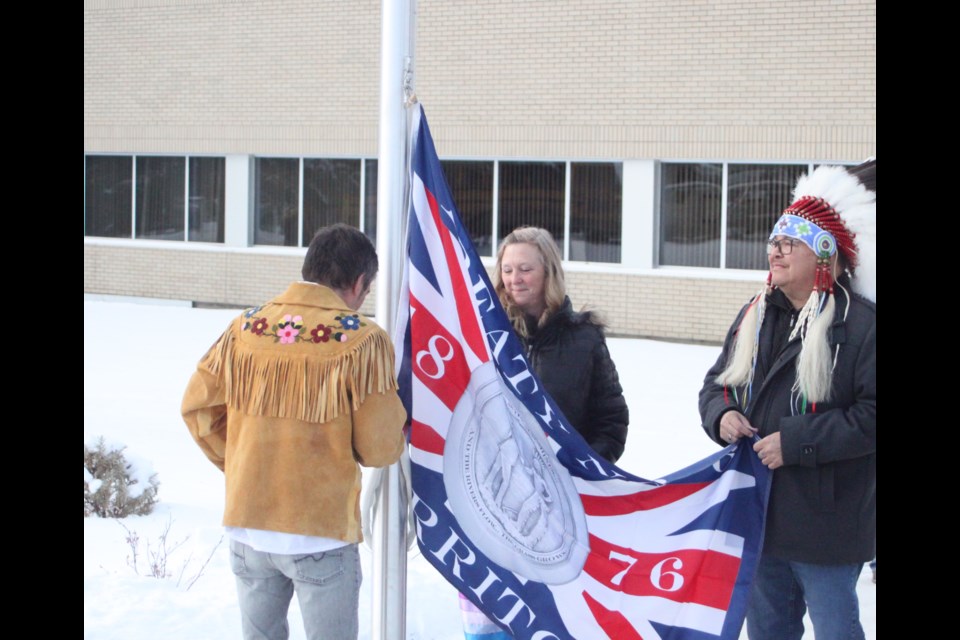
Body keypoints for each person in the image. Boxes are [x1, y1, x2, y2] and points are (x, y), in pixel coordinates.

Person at [181, 224, 406, 640]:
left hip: (249, 526)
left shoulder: (243, 328)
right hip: (319, 532)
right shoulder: (362, 339)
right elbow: (379, 448)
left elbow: (196, 409)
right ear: (359, 283)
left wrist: (240, 463)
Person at [699, 161, 876, 640]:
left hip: (828, 525)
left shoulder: (863, 326)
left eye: (788, 243)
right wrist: (723, 415)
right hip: (761, 515)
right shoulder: (756, 314)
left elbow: (871, 416)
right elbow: (716, 384)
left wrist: (794, 442)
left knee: (837, 631)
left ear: (824, 254)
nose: (774, 251)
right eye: (774, 241)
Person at [459, 226, 630, 638]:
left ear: (548, 272)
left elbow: (612, 419)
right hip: (495, 506)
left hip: (559, 516)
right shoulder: (482, 333)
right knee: (492, 621)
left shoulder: (583, 338)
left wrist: (580, 469)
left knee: (551, 621)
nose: (515, 279)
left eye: (525, 269)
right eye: (508, 269)